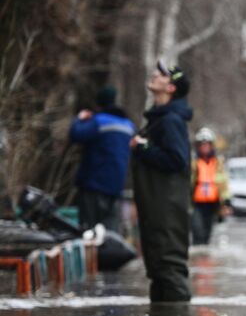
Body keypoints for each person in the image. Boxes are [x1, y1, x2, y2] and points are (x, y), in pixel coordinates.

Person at [130, 61, 193, 302]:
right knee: (158, 271)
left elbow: (177, 160)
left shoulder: (171, 120)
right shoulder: (160, 119)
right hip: (157, 209)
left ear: (171, 88)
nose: (155, 75)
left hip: (167, 211)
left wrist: (143, 147)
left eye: (162, 75)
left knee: (169, 269)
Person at [68, 86, 135, 231]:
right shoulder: (129, 126)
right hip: (117, 186)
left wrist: (79, 119)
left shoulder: (98, 121)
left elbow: (76, 135)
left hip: (94, 184)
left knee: (89, 233)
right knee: (110, 233)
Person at [190, 127, 231, 245]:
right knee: (197, 230)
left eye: (207, 144)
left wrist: (226, 200)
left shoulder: (218, 163)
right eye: (202, 145)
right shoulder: (194, 163)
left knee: (207, 231)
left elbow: (223, 183)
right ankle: (198, 255)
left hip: (212, 203)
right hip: (197, 203)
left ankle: (203, 257)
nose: (205, 147)